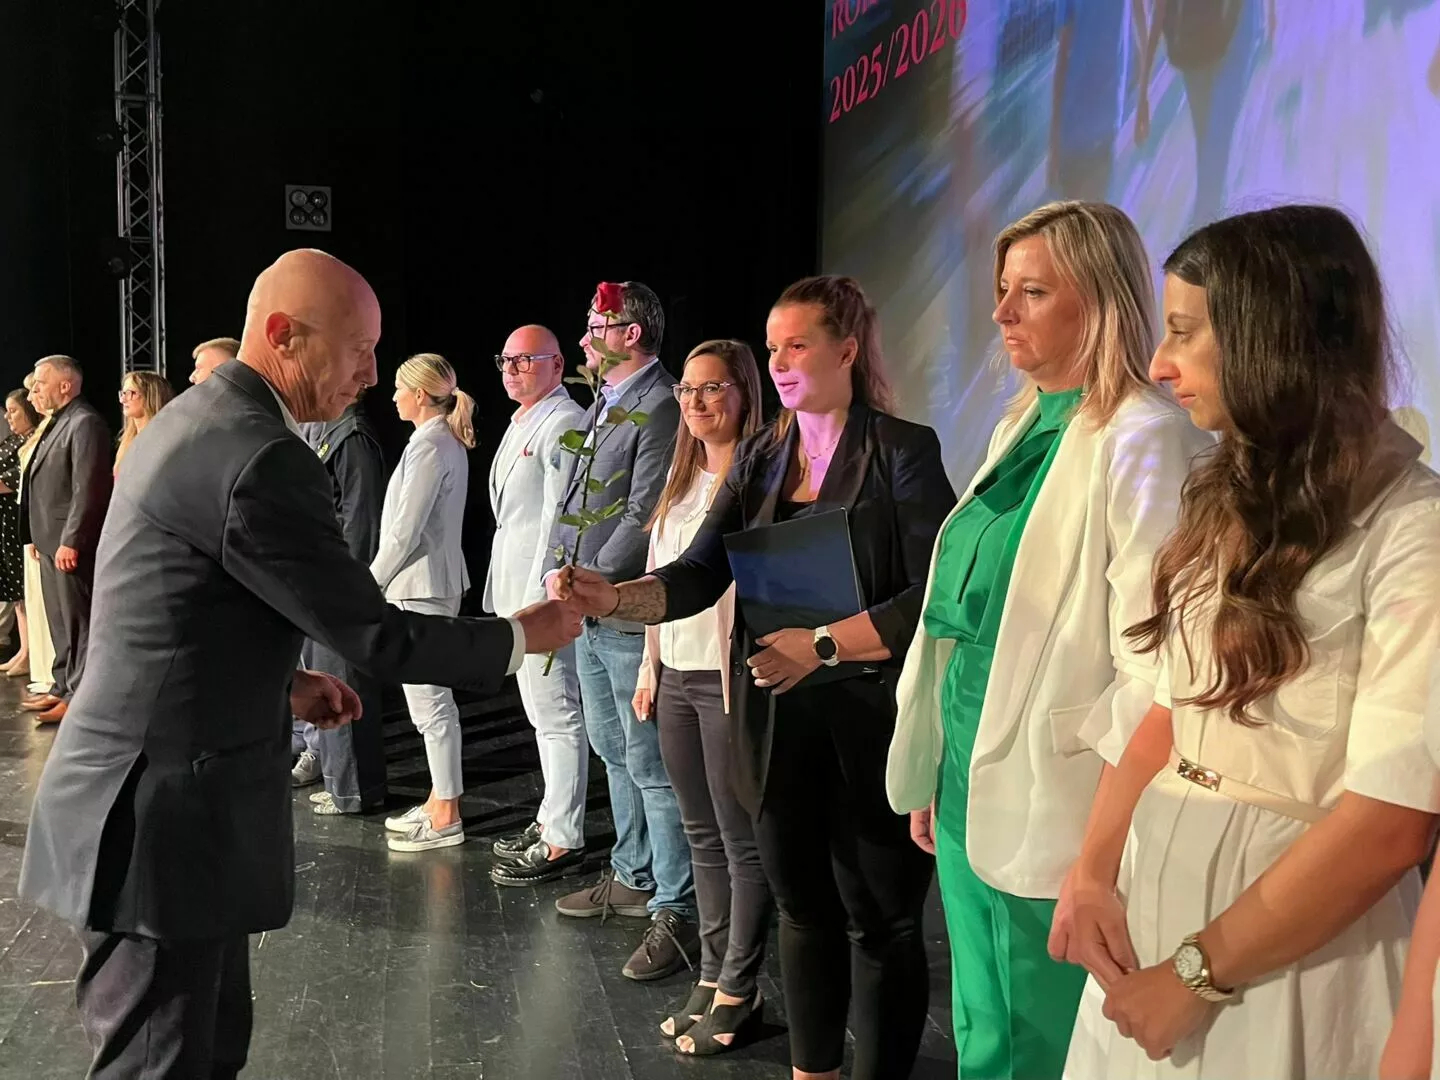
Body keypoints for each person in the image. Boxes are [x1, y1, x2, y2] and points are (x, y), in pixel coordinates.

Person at [17, 248, 583, 1079]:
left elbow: (174, 607)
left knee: (200, 1050)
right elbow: (376, 635)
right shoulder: (258, 452)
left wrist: (283, 680)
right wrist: (521, 634)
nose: (372, 373)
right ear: (285, 335)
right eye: (359, 349)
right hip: (160, 830)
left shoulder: (200, 419)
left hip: (152, 814)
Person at [1060, 205, 1440, 1078]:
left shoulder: (1414, 528)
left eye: (1185, 332)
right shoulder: (1226, 495)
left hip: (1292, 944)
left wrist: (1199, 973)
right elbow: (1171, 706)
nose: (1160, 365)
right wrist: (1092, 871)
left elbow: (1392, 818)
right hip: (1159, 902)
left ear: (1274, 337)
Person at [560, 275, 957, 1080]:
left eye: (797, 345)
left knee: (881, 925)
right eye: (772, 347)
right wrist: (616, 597)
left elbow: (934, 592)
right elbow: (699, 572)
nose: (778, 363)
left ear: (847, 351)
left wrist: (824, 646)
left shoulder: (901, 450)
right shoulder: (764, 456)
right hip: (776, 725)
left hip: (873, 725)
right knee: (804, 914)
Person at [883, 201, 1210, 1079]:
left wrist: (1099, 846)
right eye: (1002, 290)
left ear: (1099, 300)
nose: (1001, 313)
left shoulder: (1145, 437)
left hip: (1059, 796)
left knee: (1039, 1036)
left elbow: (1154, 667)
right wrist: (938, 761)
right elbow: (964, 621)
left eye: (1031, 292)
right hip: (971, 770)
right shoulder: (1023, 422)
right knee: (983, 1023)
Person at [544, 281, 696, 984]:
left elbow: (644, 514)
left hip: (625, 610)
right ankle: (632, 876)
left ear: (630, 334)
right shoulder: (604, 401)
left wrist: (592, 585)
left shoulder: (661, 403)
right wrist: (560, 575)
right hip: (588, 609)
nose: (583, 339)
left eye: (594, 325)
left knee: (650, 764)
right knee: (612, 749)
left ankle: (674, 904)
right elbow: (573, 502)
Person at [634, 340, 771, 1056]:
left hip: (727, 680)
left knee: (739, 839)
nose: (695, 402)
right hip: (677, 675)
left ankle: (740, 988)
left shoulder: (757, 481)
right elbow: (662, 574)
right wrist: (649, 666)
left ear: (744, 393)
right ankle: (711, 973)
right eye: (687, 390)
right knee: (700, 836)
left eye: (713, 388)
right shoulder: (679, 476)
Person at [483, 325, 590, 886]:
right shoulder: (522, 419)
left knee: (557, 714)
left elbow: (558, 521)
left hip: (540, 597)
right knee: (540, 716)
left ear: (557, 365)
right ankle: (551, 816)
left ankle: (564, 837)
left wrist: (541, 601)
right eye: (506, 360)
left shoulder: (565, 421)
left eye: (525, 360)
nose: (512, 369)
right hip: (514, 590)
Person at [371, 351, 477, 853]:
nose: (393, 397)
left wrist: (370, 582)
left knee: (431, 705)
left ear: (418, 394)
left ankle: (446, 815)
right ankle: (439, 800)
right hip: (426, 585)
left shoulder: (432, 446)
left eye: (399, 388)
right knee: (430, 703)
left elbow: (405, 531)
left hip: (422, 587)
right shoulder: (435, 441)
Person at [291, 391, 389, 815]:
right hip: (321, 579)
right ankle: (339, 785)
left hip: (340, 583)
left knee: (344, 679)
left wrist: (348, 583)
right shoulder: (329, 431)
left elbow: (361, 518)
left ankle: (355, 791)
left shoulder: (352, 436)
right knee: (329, 679)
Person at [19, 355, 112, 724]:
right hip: (48, 540)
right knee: (60, 621)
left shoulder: (85, 422)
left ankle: (80, 697)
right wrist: (33, 536)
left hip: (68, 543)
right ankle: (62, 686)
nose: (35, 391)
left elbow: (86, 488)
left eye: (40, 383)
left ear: (65, 385)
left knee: (78, 623)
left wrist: (72, 539)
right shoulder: (58, 422)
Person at [0, 389, 41, 676]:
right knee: (16, 593)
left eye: (13, 411)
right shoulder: (12, 440)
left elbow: (13, 481)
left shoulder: (32, 441)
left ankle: (31, 653)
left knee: (25, 590)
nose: (8, 417)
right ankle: (24, 650)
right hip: (4, 524)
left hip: (18, 523)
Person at [17, 374, 54, 693]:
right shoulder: (41, 431)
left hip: (46, 527)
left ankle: (54, 673)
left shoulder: (60, 428)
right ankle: (42, 669)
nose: (32, 397)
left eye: (36, 389)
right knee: (35, 598)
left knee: (48, 603)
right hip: (31, 525)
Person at [114, 370, 175, 476]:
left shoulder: (163, 443)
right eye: (123, 393)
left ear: (151, 396)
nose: (123, 400)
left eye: (131, 393)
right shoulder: (127, 440)